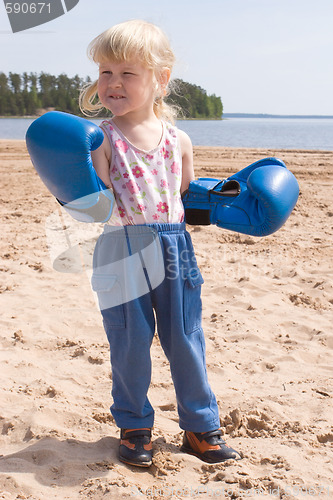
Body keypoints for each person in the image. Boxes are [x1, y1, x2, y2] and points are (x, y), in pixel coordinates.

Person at [79, 19, 241, 468]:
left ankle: (200, 425)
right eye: (105, 72)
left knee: (185, 336)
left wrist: (231, 201)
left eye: (127, 73)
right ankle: (134, 426)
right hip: (121, 246)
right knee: (129, 341)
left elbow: (186, 197)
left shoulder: (179, 139)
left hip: (175, 247)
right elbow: (97, 204)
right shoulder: (101, 139)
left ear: (160, 79)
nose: (113, 83)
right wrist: (68, 183)